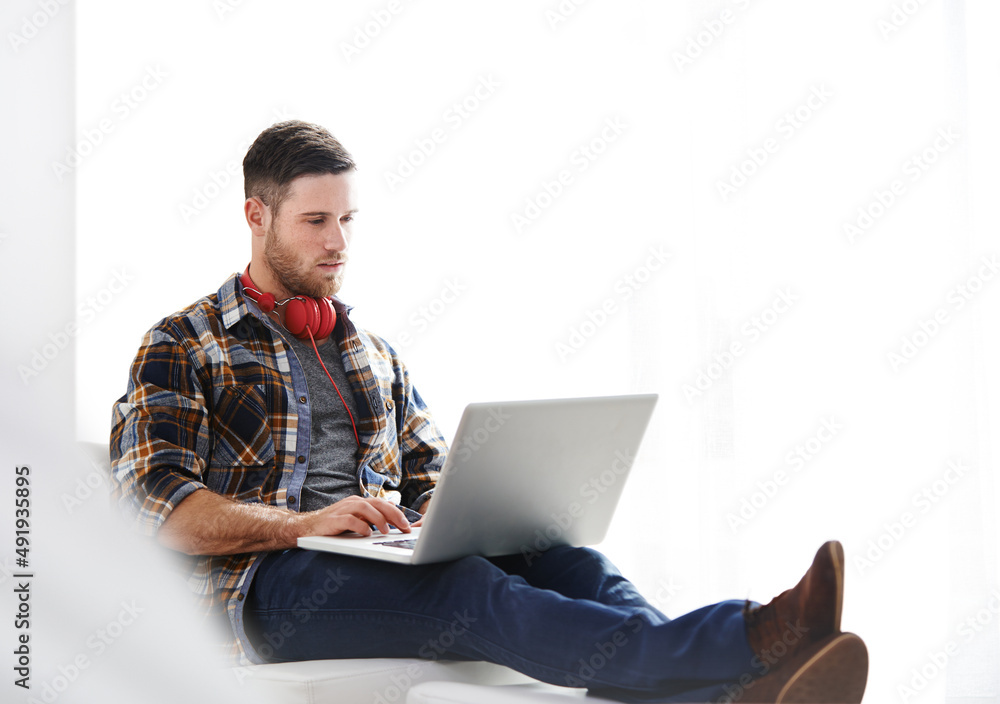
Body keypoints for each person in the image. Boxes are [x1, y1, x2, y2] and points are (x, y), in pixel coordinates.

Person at [109, 120, 868, 703]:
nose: (338, 243)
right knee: (469, 589)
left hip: (374, 562)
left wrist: (457, 511)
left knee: (572, 563)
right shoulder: (183, 343)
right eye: (316, 222)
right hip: (263, 591)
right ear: (257, 215)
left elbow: (430, 469)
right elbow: (161, 512)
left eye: (348, 220)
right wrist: (306, 524)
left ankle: (738, 688)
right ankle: (753, 639)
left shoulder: (370, 352)